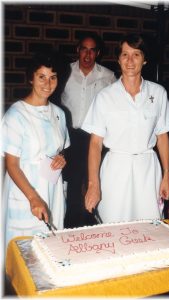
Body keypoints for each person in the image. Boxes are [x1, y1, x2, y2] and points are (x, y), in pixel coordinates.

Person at [81, 33, 169, 223]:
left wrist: (167, 175)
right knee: (113, 225)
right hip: (116, 169)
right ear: (118, 59)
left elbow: (162, 136)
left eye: (136, 54)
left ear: (145, 59)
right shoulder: (105, 97)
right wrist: (93, 184)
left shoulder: (158, 93)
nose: (130, 61)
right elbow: (95, 144)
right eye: (125, 54)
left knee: (150, 226)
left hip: (148, 169)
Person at [1, 52, 70, 249]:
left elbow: (61, 150)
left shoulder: (59, 114)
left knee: (51, 249)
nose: (47, 84)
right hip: (25, 191)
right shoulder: (16, 115)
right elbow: (11, 164)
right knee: (25, 251)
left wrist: (61, 158)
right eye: (42, 76)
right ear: (31, 78)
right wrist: (33, 198)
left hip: (52, 187)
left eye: (53, 77)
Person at [61, 32, 116, 227]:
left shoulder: (108, 77)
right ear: (78, 50)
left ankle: (91, 223)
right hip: (71, 136)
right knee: (73, 184)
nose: (87, 54)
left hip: (95, 137)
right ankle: (72, 225)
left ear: (98, 53)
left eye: (92, 50)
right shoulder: (64, 72)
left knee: (93, 181)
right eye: (84, 48)